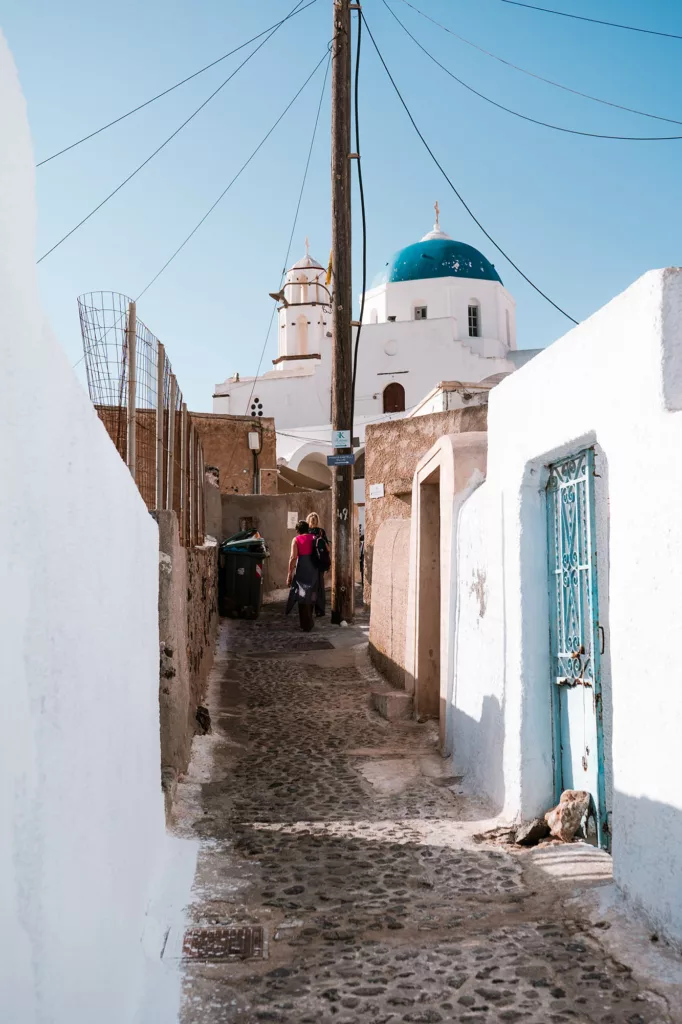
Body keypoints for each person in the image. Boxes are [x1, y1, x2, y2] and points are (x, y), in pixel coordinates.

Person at [286, 520, 318, 631]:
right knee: (312, 593)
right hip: (314, 568)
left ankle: (305, 623)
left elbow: (293, 557)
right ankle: (310, 619)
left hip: (302, 568)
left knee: (302, 595)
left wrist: (289, 574)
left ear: (297, 530)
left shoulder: (296, 539)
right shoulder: (314, 538)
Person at [306, 512, 330, 617]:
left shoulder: (306, 532)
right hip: (319, 565)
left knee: (310, 588)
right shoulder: (321, 532)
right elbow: (327, 548)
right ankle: (320, 610)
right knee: (320, 588)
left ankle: (309, 609)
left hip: (309, 563)